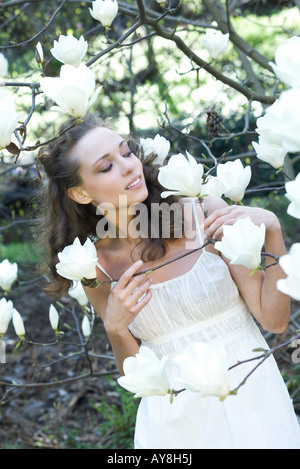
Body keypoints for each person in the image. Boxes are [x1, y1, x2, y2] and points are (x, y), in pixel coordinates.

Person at [37, 114, 300, 449]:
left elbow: (274, 320)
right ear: (79, 193)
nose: (128, 166)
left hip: (255, 404)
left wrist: (274, 234)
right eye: (106, 167)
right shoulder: (93, 267)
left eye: (127, 152)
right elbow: (137, 376)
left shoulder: (205, 215)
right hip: (175, 425)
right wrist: (116, 328)